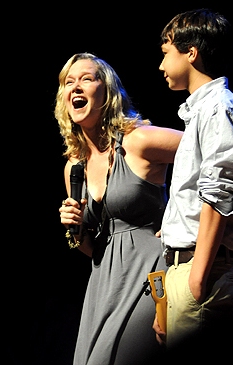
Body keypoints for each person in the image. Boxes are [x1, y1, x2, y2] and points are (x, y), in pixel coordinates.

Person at [57, 52, 183, 365]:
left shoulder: (138, 140)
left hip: (152, 274)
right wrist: (75, 228)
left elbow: (206, 147)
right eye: (69, 82)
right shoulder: (74, 165)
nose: (76, 87)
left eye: (87, 79)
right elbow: (93, 249)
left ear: (107, 91)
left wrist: (180, 215)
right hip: (104, 282)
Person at [153, 8, 233, 356]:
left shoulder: (219, 108)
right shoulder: (202, 113)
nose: (161, 66)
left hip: (206, 271)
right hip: (186, 272)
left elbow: (222, 190)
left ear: (191, 52)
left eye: (166, 53)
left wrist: (196, 281)